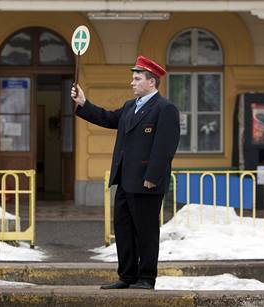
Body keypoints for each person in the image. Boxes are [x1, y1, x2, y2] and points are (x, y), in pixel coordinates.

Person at [71, 55, 180, 290]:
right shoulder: (131, 106)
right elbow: (109, 118)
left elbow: (165, 147)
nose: (132, 82)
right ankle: (127, 275)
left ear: (151, 82)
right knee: (123, 230)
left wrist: (153, 176)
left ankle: (146, 277)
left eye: (137, 78)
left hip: (147, 182)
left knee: (146, 232)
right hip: (125, 180)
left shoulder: (165, 108)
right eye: (133, 78)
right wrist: (84, 103)